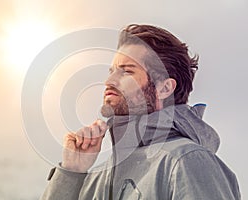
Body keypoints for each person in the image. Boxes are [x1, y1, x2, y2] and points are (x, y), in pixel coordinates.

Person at [41, 24, 241, 200]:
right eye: (111, 71)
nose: (109, 81)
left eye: (127, 71)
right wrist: (71, 172)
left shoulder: (186, 161)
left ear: (164, 88)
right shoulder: (97, 176)